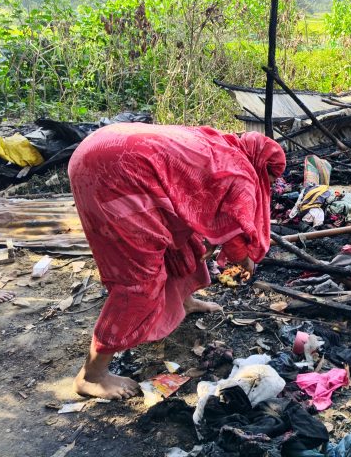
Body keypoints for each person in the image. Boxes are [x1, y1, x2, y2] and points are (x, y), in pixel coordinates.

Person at [67, 123, 285, 400]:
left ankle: (184, 302)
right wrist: (247, 261)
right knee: (139, 279)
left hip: (100, 150)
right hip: (115, 173)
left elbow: (195, 198)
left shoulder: (221, 144)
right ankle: (92, 375)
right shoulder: (241, 172)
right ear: (263, 169)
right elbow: (237, 237)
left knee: (185, 246)